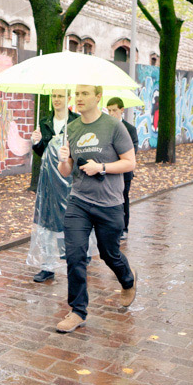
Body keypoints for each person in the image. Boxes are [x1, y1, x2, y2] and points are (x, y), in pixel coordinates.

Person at [56, 84, 137, 332]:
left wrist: (101, 167)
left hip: (110, 203)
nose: (78, 98)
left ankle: (127, 278)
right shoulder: (73, 127)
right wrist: (62, 160)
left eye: (84, 94)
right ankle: (77, 311)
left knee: (109, 253)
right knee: (75, 255)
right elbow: (66, 172)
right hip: (79, 201)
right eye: (76, 94)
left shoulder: (113, 126)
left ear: (98, 97)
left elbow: (129, 163)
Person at [27, 89, 79, 283]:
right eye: (54, 96)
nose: (57, 100)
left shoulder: (76, 122)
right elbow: (43, 154)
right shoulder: (45, 123)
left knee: (71, 220)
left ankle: (74, 259)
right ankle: (47, 266)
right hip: (49, 182)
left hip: (70, 180)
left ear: (68, 98)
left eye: (60, 96)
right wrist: (37, 143)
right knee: (47, 222)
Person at [106, 98, 139, 240]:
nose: (111, 113)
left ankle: (123, 228)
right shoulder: (104, 128)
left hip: (124, 173)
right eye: (109, 110)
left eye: (114, 110)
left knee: (123, 199)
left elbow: (133, 150)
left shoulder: (129, 129)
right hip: (107, 171)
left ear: (121, 110)